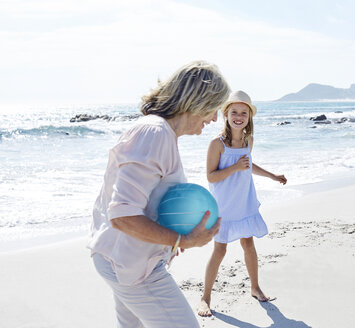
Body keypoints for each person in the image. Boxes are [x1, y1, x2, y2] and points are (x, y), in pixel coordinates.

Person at [87, 61, 230, 328]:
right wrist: (182, 239)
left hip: (123, 258)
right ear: (197, 101)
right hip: (130, 264)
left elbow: (141, 205)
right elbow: (122, 215)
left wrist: (170, 239)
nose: (213, 119)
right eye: (213, 109)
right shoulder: (154, 133)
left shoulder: (160, 133)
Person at [198, 90, 287, 317]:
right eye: (234, 112)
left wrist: (272, 176)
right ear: (226, 114)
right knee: (220, 249)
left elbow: (248, 165)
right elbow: (211, 176)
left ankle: (255, 287)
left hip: (243, 201)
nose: (239, 116)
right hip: (224, 205)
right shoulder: (216, 144)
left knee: (248, 244)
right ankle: (205, 297)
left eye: (244, 113)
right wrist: (233, 168)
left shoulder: (248, 140)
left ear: (249, 116)